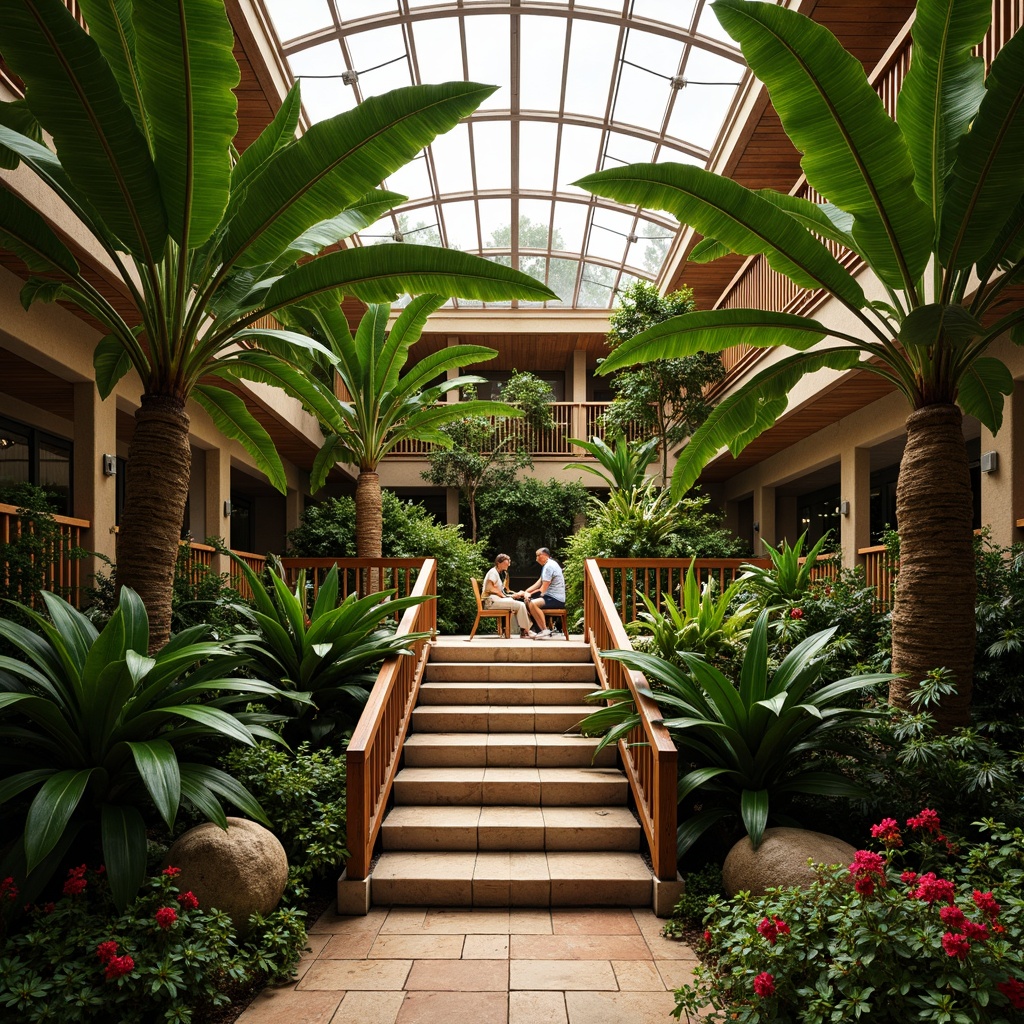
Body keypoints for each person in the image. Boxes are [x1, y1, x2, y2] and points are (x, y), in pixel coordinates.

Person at [511, 547, 565, 639]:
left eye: (538, 556)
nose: (536, 559)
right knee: (527, 601)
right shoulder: (547, 565)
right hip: (549, 596)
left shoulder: (549, 566)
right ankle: (535, 630)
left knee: (532, 603)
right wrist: (526, 592)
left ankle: (544, 630)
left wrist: (529, 594)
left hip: (555, 598)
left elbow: (543, 589)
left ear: (544, 555)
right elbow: (539, 583)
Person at [482, 554, 532, 638]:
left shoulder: (502, 574)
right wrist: (507, 597)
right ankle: (526, 630)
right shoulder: (493, 573)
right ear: (499, 562)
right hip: (490, 601)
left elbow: (505, 590)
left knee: (520, 602)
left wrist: (515, 594)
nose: (509, 564)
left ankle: (525, 629)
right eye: (507, 562)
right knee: (520, 605)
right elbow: (489, 588)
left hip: (496, 600)